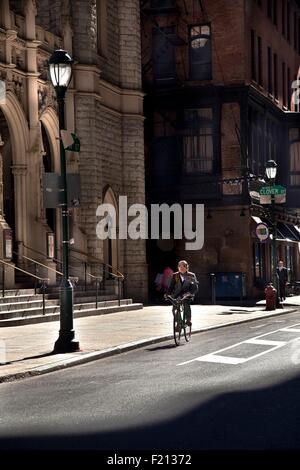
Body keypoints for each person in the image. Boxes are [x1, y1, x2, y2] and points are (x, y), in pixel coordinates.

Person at [165, 260, 198, 327]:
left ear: (187, 267)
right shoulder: (175, 275)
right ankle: (179, 323)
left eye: (183, 266)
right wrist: (168, 294)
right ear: (178, 267)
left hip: (187, 294)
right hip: (177, 295)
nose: (181, 268)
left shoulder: (191, 275)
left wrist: (189, 293)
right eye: (180, 266)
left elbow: (194, 287)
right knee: (175, 308)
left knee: (186, 304)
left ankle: (188, 320)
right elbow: (171, 286)